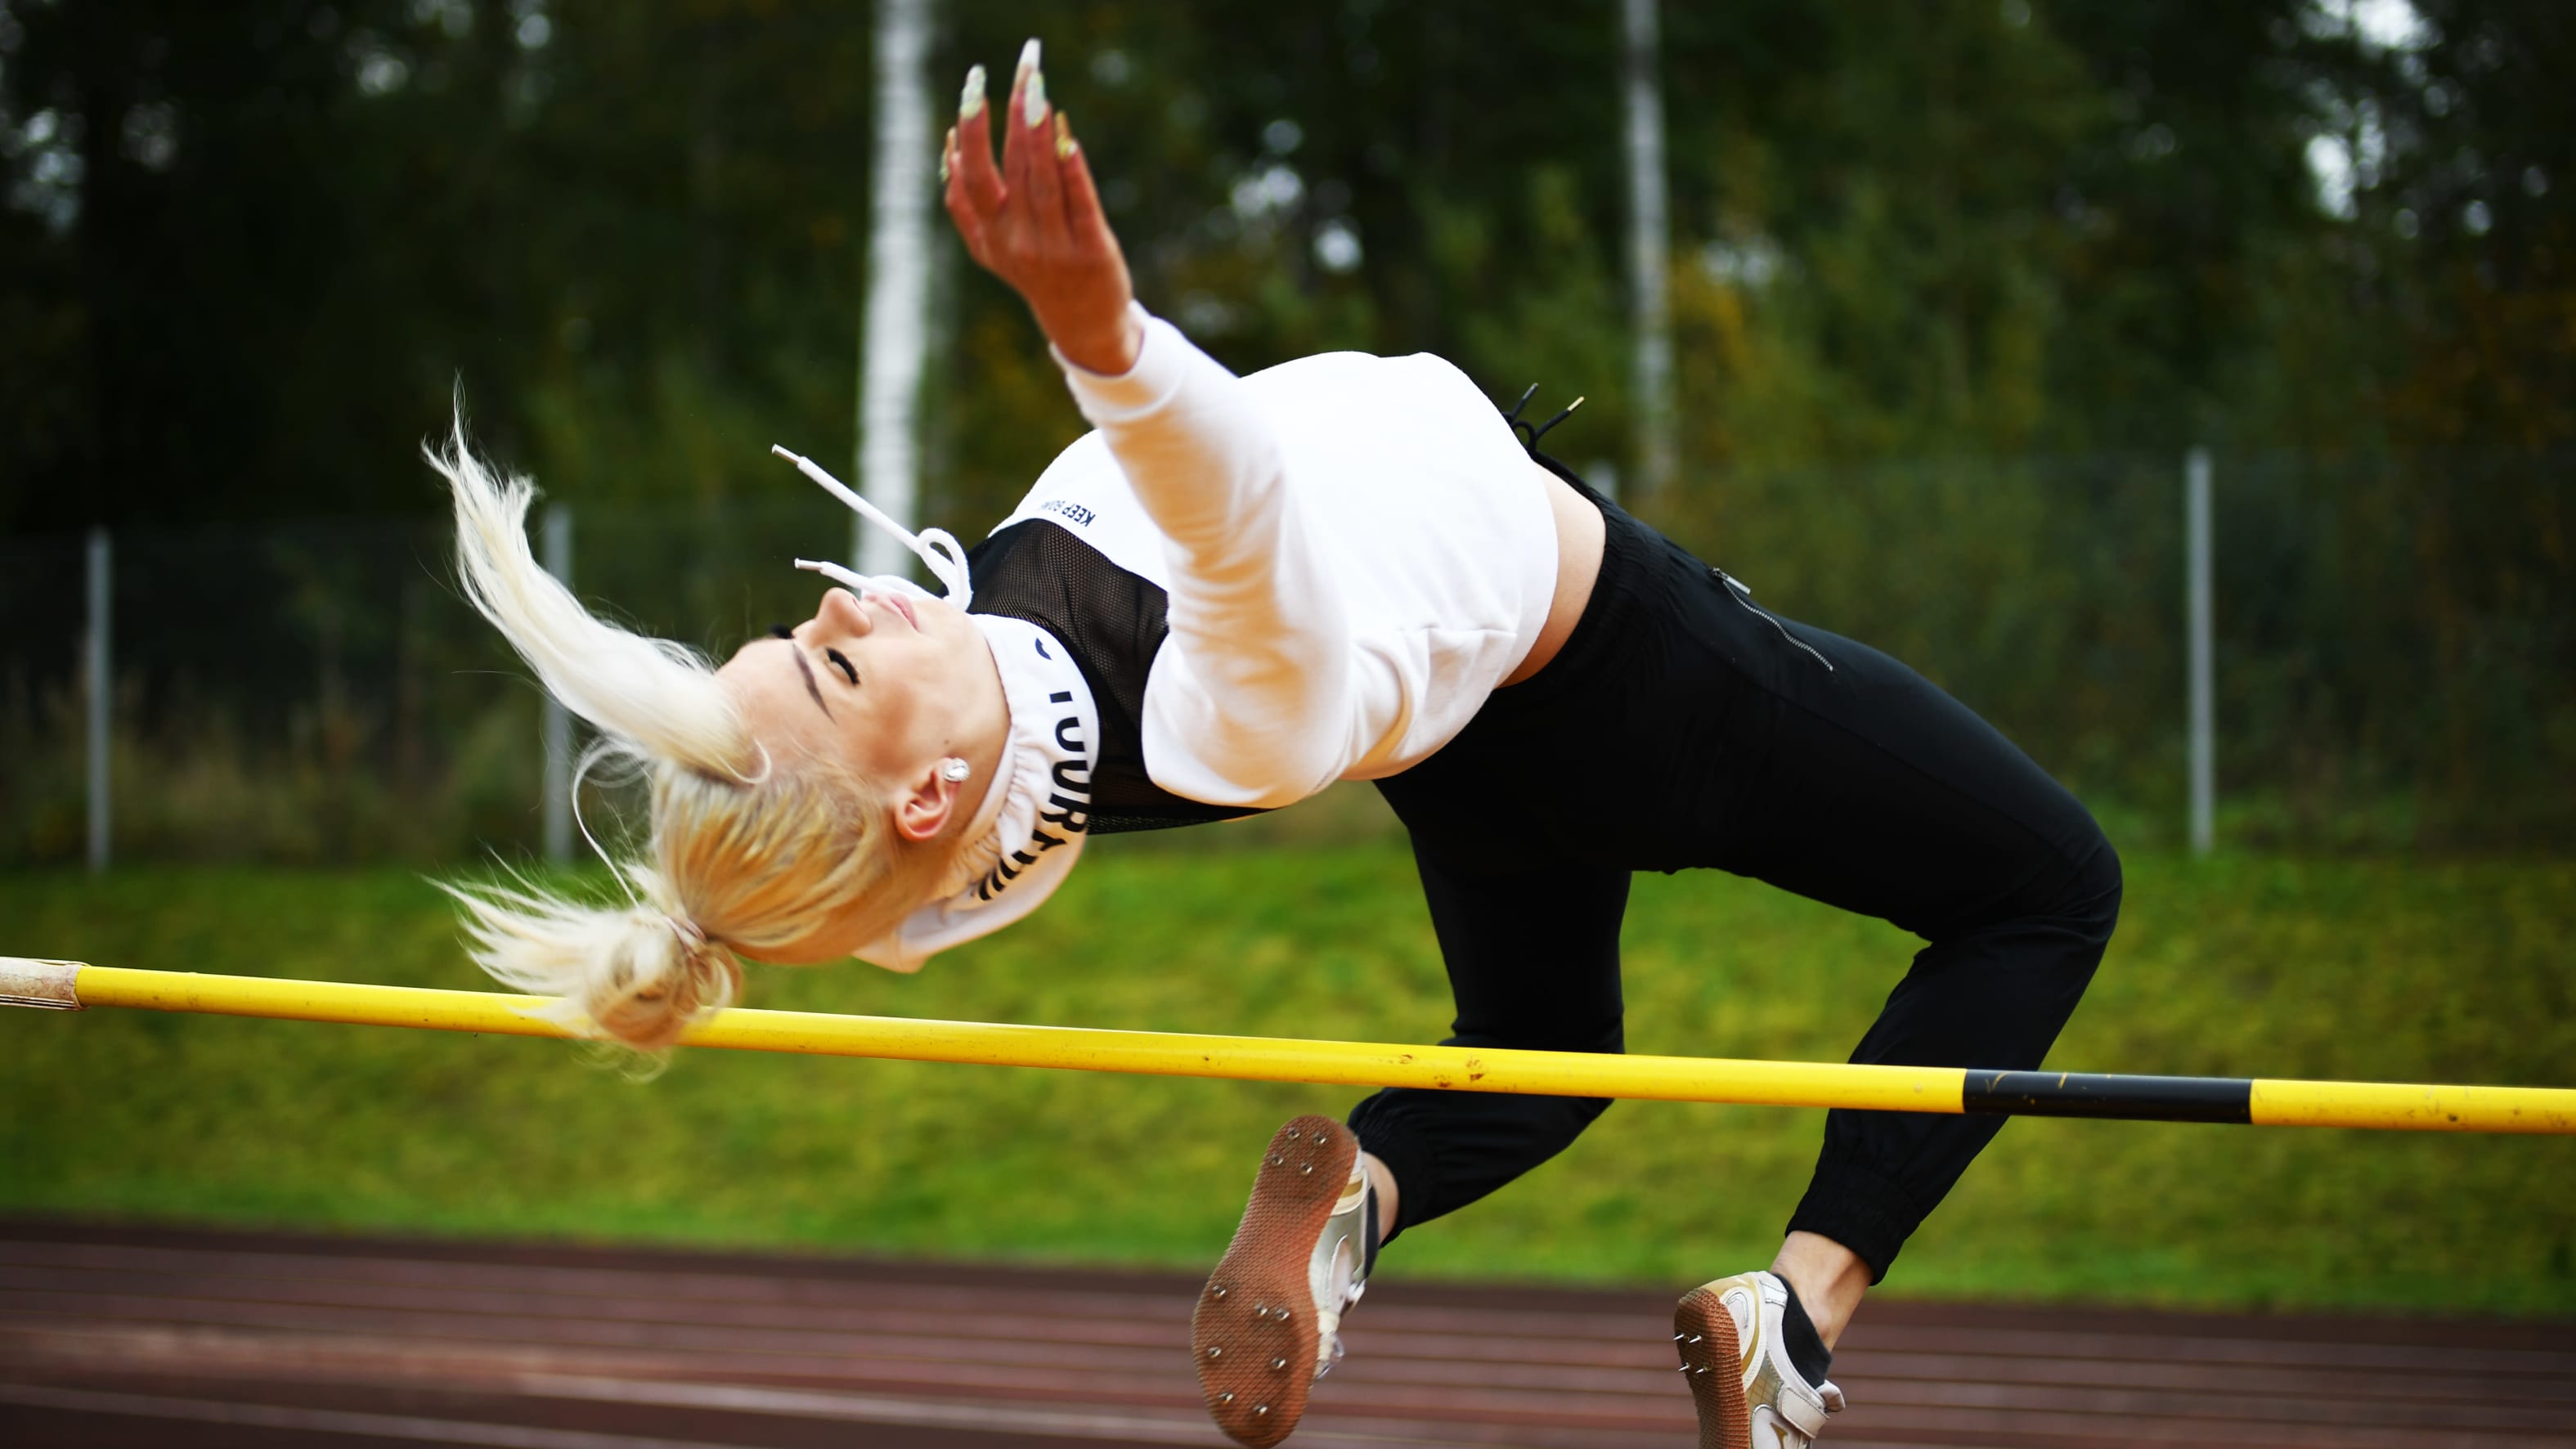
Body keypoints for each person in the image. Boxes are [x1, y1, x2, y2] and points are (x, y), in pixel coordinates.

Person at [434, 40, 2120, 1449]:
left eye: (806, 630)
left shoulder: (1009, 655)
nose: (853, 610)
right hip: (1628, 676)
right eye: (832, 670)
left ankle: (1364, 1199)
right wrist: (1098, 333)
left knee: (1547, 1050)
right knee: (2047, 882)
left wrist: (709, 894)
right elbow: (1231, 506)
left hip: (1475, 745)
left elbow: (895, 909)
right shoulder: (1219, 710)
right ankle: (1801, 1321)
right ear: (932, 787)